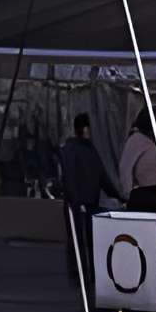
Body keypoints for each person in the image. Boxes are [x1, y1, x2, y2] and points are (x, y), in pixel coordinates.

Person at [59, 112, 119, 288]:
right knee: (77, 240)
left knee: (91, 240)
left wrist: (116, 195)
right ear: (83, 129)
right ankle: (78, 275)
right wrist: (76, 201)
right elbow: (70, 178)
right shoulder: (72, 149)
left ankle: (90, 274)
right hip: (77, 204)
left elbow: (101, 176)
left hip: (90, 202)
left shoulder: (89, 149)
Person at [120, 110, 156, 209]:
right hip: (146, 191)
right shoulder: (136, 139)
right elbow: (125, 168)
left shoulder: (154, 138)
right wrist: (128, 195)